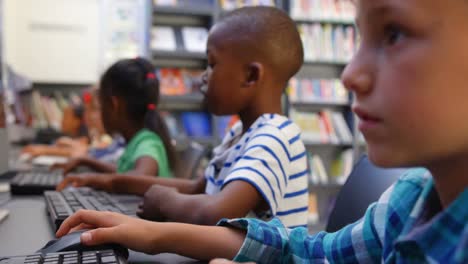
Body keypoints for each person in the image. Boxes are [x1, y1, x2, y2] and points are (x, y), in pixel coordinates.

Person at [56, 1, 468, 263]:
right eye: (360, 39)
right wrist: (154, 233)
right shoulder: (409, 201)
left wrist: (158, 212)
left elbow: (211, 207)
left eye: (393, 34)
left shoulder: (275, 135)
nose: (350, 74)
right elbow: (312, 250)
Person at [56, 6, 309, 228]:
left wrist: (166, 202)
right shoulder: (239, 134)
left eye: (212, 64)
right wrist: (106, 182)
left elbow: (216, 212)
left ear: (251, 76)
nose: (203, 76)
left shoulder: (275, 136)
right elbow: (195, 188)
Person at [54, 58, 176, 177]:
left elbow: (141, 177)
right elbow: (122, 173)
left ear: (114, 105)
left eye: (102, 105)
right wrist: (86, 161)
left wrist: (103, 181)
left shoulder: (148, 142)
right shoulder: (135, 141)